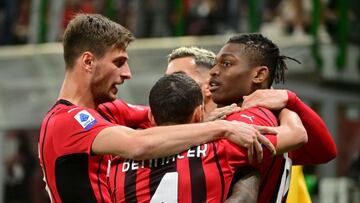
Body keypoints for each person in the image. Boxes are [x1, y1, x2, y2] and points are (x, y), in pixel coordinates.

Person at [38, 14, 277, 203]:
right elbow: (139, 145)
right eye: (118, 62)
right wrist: (222, 128)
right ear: (88, 62)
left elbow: (170, 116)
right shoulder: (66, 122)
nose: (126, 74)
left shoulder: (104, 112)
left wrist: (283, 102)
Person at [108, 73, 306, 202]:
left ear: (151, 117)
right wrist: (284, 103)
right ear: (198, 113)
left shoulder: (115, 161)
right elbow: (296, 135)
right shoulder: (222, 149)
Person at [209, 33, 337, 202]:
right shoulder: (278, 121)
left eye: (226, 64)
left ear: (259, 75)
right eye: (214, 64)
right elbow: (325, 152)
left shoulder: (247, 121)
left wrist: (291, 101)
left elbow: (324, 152)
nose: (213, 71)